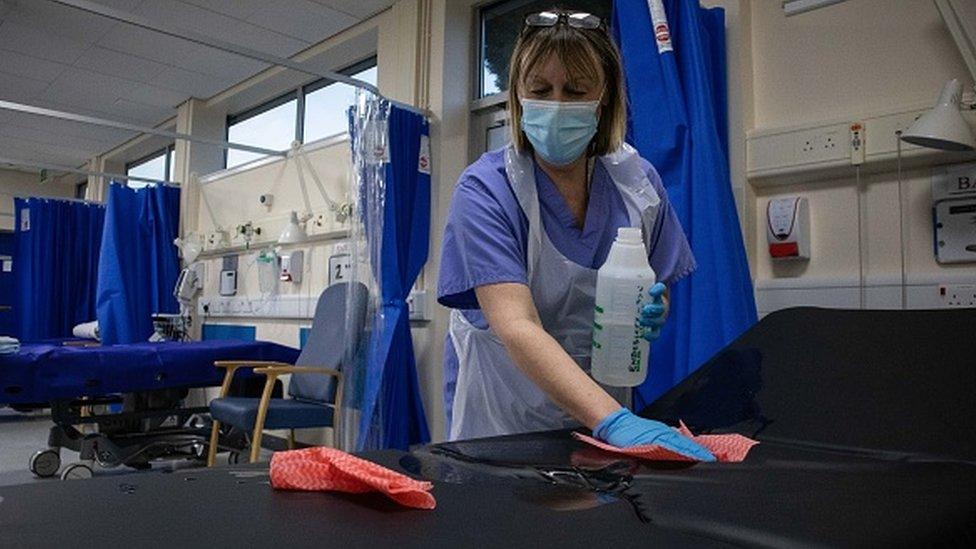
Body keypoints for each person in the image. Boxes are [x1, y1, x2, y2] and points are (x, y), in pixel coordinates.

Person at [437, 10, 713, 460]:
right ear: (518, 97)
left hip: (601, 424)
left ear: (603, 98)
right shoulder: (486, 190)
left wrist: (653, 306)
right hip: (506, 424)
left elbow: (656, 284)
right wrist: (616, 421)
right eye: (540, 90)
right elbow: (516, 325)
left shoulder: (638, 185)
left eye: (577, 90)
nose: (558, 105)